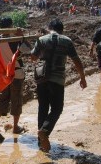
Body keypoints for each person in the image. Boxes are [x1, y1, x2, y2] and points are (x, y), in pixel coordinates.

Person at [31, 18, 87, 152]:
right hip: (57, 79)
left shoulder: (42, 39)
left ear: (49, 27)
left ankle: (41, 143)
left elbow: (33, 57)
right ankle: (44, 131)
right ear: (62, 29)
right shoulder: (67, 41)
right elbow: (76, 60)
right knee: (57, 109)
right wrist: (82, 78)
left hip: (42, 79)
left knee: (43, 108)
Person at [0, 17, 31, 143]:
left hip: (3, 74)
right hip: (16, 73)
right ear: (11, 25)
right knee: (16, 100)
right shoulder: (14, 40)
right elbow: (28, 49)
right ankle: (15, 126)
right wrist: (22, 36)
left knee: (1, 100)